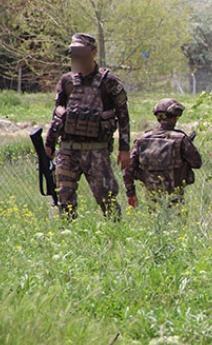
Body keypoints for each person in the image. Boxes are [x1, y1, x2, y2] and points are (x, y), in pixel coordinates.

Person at [44, 33, 130, 219]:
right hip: (68, 150)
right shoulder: (67, 81)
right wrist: (49, 142)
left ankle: (116, 235)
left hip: (96, 151)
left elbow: (123, 117)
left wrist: (125, 149)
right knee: (64, 198)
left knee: (106, 198)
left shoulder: (109, 82)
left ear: (94, 52)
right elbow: (57, 113)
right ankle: (67, 238)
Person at [123, 98, 202, 208]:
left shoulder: (142, 140)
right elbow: (197, 163)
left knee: (154, 223)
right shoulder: (181, 139)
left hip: (151, 195)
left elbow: (128, 169)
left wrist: (131, 194)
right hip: (175, 196)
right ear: (175, 118)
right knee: (176, 223)